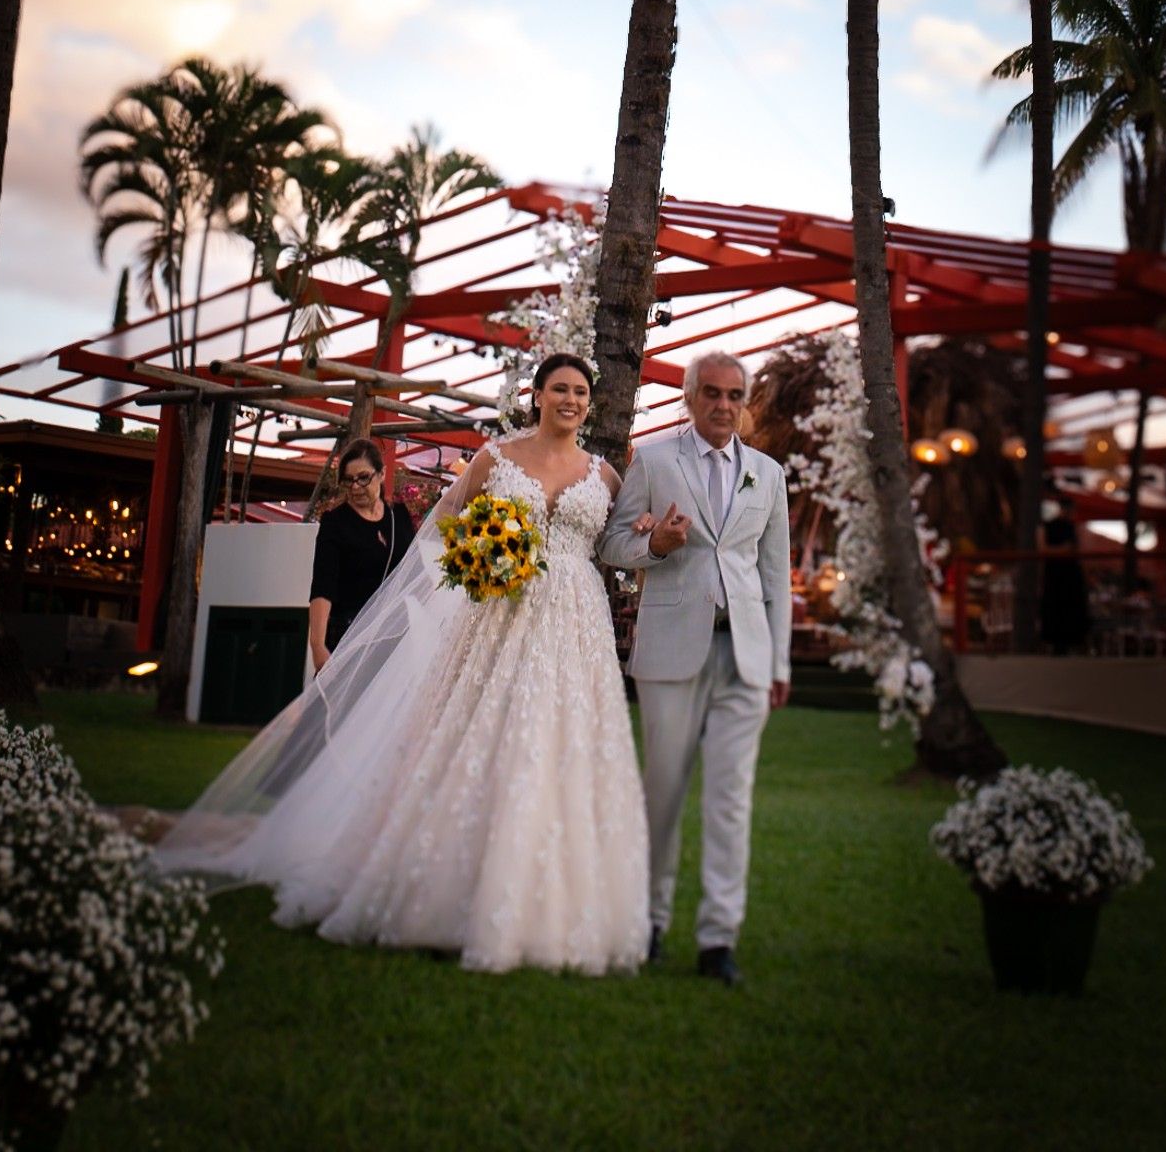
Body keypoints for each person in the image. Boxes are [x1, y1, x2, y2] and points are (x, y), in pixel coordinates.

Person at [159, 350, 649, 975]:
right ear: (537, 395)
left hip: (575, 628)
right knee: (475, 739)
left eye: (581, 392)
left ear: (591, 402)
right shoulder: (496, 459)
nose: (572, 400)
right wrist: (479, 558)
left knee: (562, 748)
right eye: (560, 389)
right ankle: (435, 893)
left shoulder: (605, 476)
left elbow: (620, 546)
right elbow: (439, 529)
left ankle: (553, 907)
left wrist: (655, 540)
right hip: (497, 618)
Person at [599, 350, 792, 986]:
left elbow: (773, 578)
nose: (722, 404)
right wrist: (655, 545)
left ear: (744, 403)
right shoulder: (653, 459)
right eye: (710, 392)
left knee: (731, 800)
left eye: (734, 395)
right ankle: (649, 923)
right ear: (689, 396)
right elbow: (613, 544)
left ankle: (717, 941)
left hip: (746, 653)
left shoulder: (767, 474)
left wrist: (780, 659)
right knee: (663, 793)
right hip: (672, 649)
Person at [308, 442, 415, 671]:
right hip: (349, 636)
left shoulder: (400, 517)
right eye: (349, 480)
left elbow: (414, 573)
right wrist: (317, 644)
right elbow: (323, 586)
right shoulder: (335, 523)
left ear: (382, 474)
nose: (356, 486)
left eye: (363, 477)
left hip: (395, 637)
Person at [1038, 512, 1092, 655]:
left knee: (1065, 611)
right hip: (1059, 579)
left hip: (1066, 579)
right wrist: (1064, 549)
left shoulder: (1073, 527)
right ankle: (1062, 646)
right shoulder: (1050, 527)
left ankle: (1066, 646)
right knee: (1060, 611)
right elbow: (1043, 549)